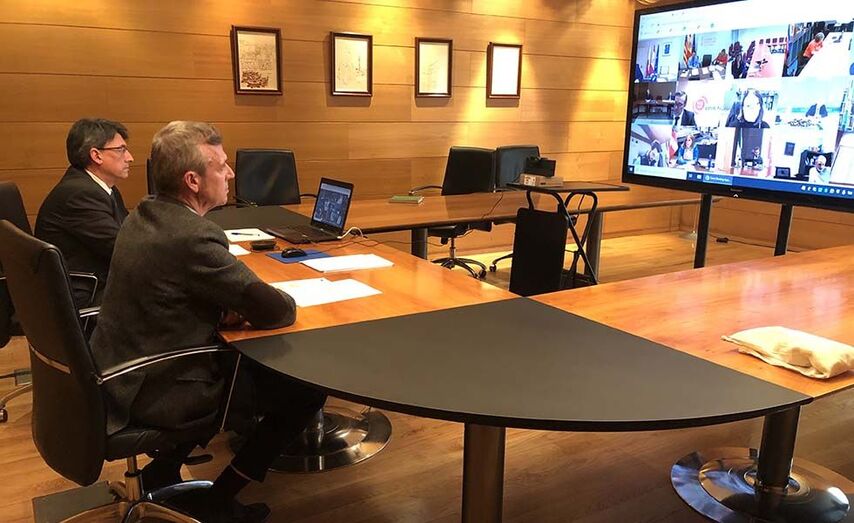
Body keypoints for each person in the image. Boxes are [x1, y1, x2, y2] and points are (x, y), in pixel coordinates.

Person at [90, 121, 327, 522]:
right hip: (155, 385)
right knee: (304, 391)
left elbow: (173, 295)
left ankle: (161, 471)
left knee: (243, 356)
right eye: (221, 166)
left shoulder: (144, 212)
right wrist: (248, 305)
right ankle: (220, 498)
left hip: (118, 370)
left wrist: (221, 308)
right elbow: (277, 311)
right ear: (193, 181)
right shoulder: (193, 236)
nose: (231, 173)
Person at [35, 118, 133, 307]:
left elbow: (129, 230)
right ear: (96, 155)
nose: (129, 157)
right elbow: (122, 248)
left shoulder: (100, 186)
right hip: (85, 291)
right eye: (121, 150)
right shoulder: (80, 194)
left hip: (96, 277)